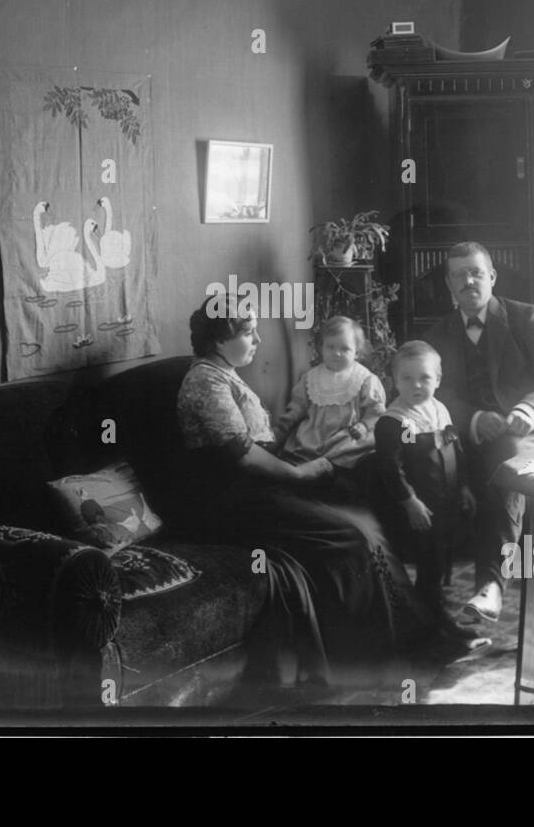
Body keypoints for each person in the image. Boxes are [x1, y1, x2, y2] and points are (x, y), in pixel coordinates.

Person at [175, 297, 435, 694]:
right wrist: (298, 472)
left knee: (362, 525)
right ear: (219, 339)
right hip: (230, 499)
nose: (258, 339)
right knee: (348, 534)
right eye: (248, 332)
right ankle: (367, 659)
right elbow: (243, 456)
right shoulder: (205, 381)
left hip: (256, 488)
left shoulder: (222, 372)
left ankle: (404, 644)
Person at [422, 242, 534, 626]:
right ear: (449, 284)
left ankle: (491, 584)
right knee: (522, 504)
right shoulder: (438, 334)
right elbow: (438, 393)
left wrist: (529, 409)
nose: (468, 281)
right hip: (478, 445)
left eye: (476, 272)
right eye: (459, 275)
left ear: (492, 277)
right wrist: (474, 419)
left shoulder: (527, 317)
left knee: (507, 454)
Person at [372, 341, 481, 639]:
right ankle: (432, 622)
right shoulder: (399, 421)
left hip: (446, 499)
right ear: (394, 381)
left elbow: (455, 450)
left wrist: (465, 488)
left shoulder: (439, 410)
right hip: (419, 505)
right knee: (428, 560)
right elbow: (392, 467)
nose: (416, 385)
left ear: (438, 380)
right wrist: (410, 501)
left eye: (425, 378)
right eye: (406, 378)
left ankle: (432, 610)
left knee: (441, 554)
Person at [272, 316, 386, 469]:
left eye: (344, 349)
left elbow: (375, 410)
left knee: (355, 457)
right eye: (330, 347)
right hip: (313, 438)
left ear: (357, 353)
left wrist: (365, 425)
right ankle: (312, 471)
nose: (336, 353)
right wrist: (283, 426)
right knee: (298, 458)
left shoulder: (364, 379)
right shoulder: (311, 378)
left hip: (347, 437)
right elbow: (298, 407)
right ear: (322, 348)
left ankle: (337, 472)